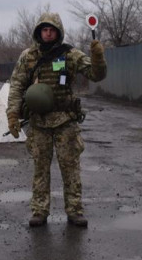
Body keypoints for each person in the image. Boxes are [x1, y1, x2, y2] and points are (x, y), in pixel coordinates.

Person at [6, 13, 106, 228]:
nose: (48, 33)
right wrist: (12, 114)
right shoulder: (29, 56)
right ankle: (39, 211)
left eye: (52, 29)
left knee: (70, 167)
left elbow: (96, 75)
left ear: (58, 32)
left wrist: (97, 57)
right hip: (39, 122)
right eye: (44, 29)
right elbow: (16, 86)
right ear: (39, 32)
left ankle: (75, 210)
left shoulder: (70, 54)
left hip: (65, 121)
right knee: (40, 168)